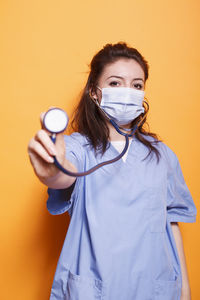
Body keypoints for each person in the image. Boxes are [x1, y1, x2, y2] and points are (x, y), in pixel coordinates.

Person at [28, 42, 197, 300]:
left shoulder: (162, 155)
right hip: (94, 289)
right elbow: (62, 175)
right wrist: (51, 166)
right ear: (95, 93)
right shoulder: (78, 147)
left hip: (155, 288)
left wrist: (184, 289)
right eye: (116, 83)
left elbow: (171, 222)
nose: (128, 91)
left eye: (137, 85)